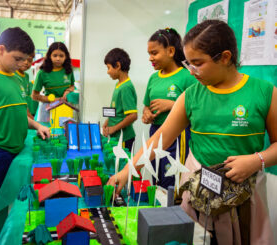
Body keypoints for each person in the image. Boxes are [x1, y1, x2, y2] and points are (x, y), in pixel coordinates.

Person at [108, 20, 277, 244]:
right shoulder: (191, 95)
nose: (192, 70)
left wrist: (256, 160)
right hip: (199, 190)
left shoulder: (264, 92)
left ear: (225, 57)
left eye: (198, 63)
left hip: (244, 196)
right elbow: (160, 138)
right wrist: (128, 170)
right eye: (189, 63)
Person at [0, 27, 50, 231]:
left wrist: (37, 125)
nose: (20, 64)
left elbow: (21, 114)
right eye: (17, 58)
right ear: (1, 50)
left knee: (14, 199)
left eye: (24, 60)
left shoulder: (16, 78)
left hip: (18, 151)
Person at [142, 28, 197, 189]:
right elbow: (146, 106)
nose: (150, 58)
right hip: (155, 133)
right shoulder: (153, 78)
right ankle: (157, 212)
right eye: (149, 54)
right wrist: (146, 114)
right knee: (156, 176)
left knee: (172, 182)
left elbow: (197, 108)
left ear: (171, 51)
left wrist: (173, 105)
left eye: (154, 53)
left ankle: (172, 213)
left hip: (178, 137)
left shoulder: (187, 76)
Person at [102, 48, 138, 151]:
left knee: (122, 165)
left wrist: (113, 128)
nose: (108, 72)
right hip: (116, 137)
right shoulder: (119, 85)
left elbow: (132, 115)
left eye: (108, 68)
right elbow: (117, 110)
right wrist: (108, 121)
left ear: (118, 66)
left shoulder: (125, 87)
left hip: (124, 138)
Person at [32, 42, 75, 121]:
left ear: (66, 57)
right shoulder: (42, 72)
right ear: (49, 56)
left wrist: (68, 91)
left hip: (65, 107)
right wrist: (53, 99)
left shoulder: (69, 70)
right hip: (48, 108)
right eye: (55, 55)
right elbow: (34, 96)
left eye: (61, 56)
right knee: (46, 131)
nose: (58, 58)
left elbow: (72, 85)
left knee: (64, 131)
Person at [15, 53, 38, 119]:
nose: (26, 62)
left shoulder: (26, 76)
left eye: (29, 60)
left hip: (26, 112)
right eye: (23, 59)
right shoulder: (13, 75)